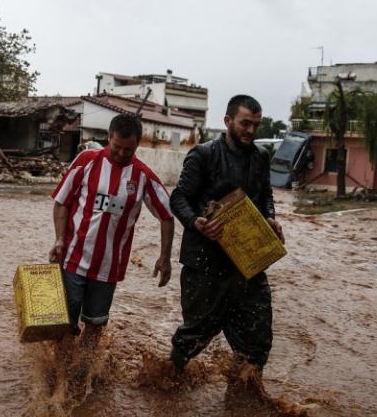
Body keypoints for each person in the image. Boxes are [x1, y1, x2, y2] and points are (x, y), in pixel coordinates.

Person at [168, 95, 285, 382]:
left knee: (257, 339)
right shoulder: (203, 155)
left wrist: (270, 217)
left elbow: (265, 196)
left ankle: (242, 398)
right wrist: (196, 222)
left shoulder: (260, 157)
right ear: (228, 121)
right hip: (205, 260)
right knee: (195, 335)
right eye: (245, 123)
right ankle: (168, 381)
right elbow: (179, 197)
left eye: (256, 125)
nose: (251, 131)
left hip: (247, 260)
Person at [49, 114, 175, 343]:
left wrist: (165, 257)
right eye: (116, 147)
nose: (121, 154)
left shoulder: (143, 176)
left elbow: (167, 216)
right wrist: (59, 239)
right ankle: (58, 374)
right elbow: (61, 202)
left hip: (108, 268)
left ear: (137, 144)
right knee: (64, 324)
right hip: (72, 259)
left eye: (129, 150)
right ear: (108, 137)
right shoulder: (86, 160)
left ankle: (83, 375)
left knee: (95, 327)